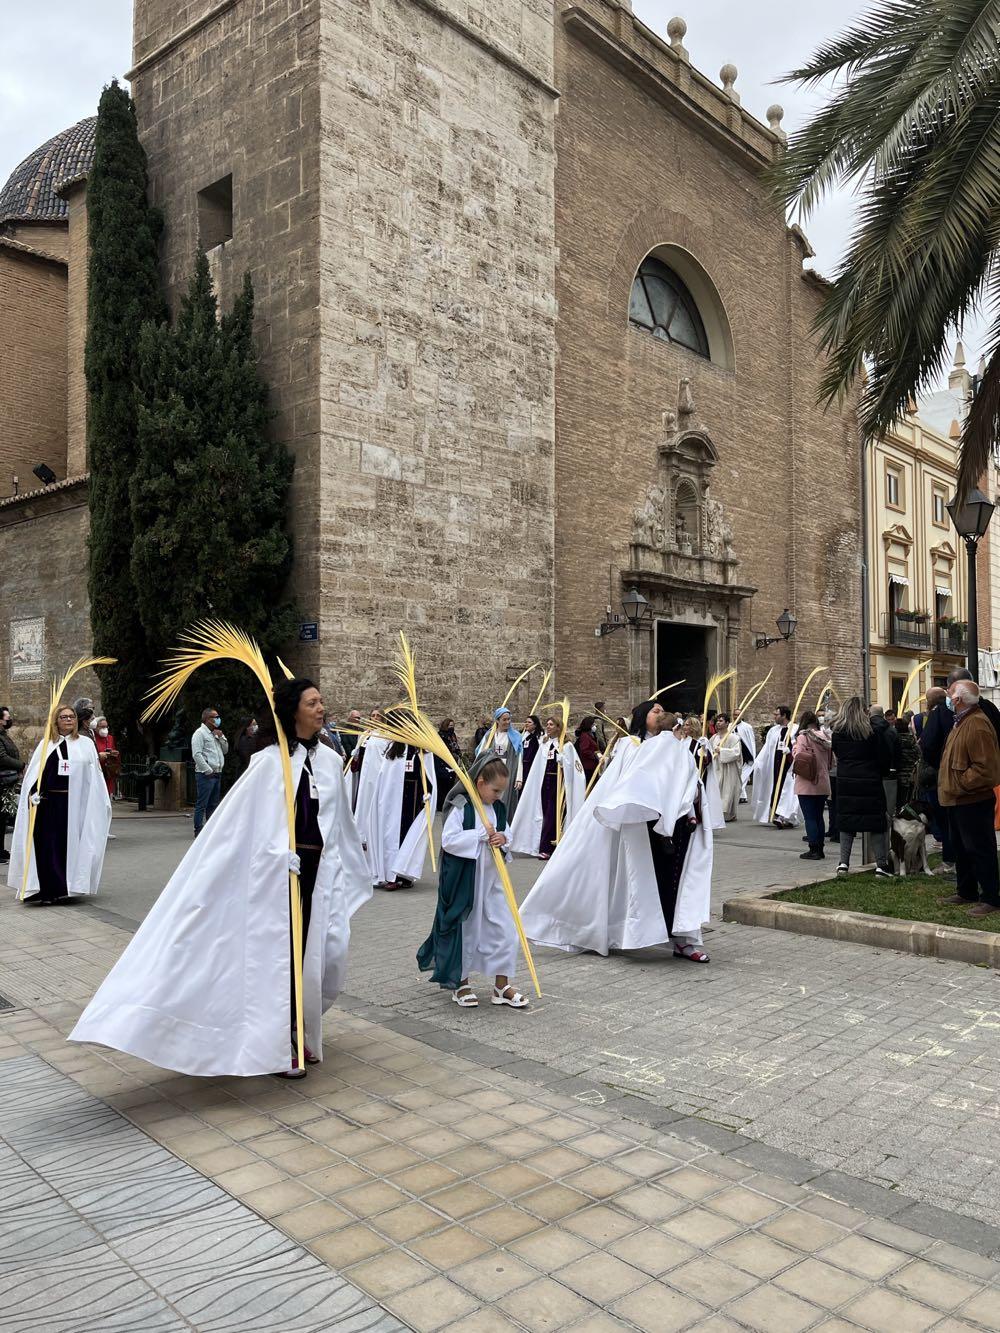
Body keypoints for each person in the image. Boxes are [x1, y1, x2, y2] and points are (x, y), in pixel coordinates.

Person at [70, 677, 372, 1078]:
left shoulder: (331, 761)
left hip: (317, 877)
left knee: (320, 955)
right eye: (313, 702)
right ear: (292, 710)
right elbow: (246, 825)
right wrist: (277, 856)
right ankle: (282, 1045)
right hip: (275, 881)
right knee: (278, 960)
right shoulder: (269, 761)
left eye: (321, 701)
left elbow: (339, 824)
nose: (321, 708)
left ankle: (302, 1031)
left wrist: (339, 865)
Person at [520, 700, 711, 961]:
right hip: (640, 826)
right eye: (655, 710)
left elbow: (686, 778)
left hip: (674, 824)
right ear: (643, 717)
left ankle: (682, 938)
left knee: (675, 880)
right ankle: (621, 930)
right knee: (640, 881)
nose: (661, 712)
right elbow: (620, 784)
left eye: (662, 710)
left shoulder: (677, 746)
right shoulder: (631, 746)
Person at [417, 754, 528, 1009]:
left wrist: (503, 837)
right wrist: (479, 835)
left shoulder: (498, 808)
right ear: (479, 784)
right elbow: (449, 840)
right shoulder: (461, 805)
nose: (500, 795)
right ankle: (461, 982)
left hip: (492, 882)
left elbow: (506, 831)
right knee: (466, 932)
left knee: (506, 930)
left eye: (502, 790)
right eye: (495, 790)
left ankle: (502, 985)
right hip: (467, 884)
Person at [7, 704, 111, 904]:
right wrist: (33, 794)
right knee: (46, 847)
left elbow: (94, 777)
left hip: (72, 806)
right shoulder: (47, 744)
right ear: (56, 721)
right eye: (63, 717)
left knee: (67, 846)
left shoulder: (85, 744)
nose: (68, 720)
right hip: (46, 806)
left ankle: (64, 887)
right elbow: (33, 775)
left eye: (71, 716)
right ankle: (45, 890)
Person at [937, 678, 1000, 917]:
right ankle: (966, 891)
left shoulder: (977, 724)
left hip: (972, 799)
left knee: (980, 849)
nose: (947, 696)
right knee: (962, 848)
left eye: (950, 693)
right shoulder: (962, 722)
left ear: (958, 699)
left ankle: (991, 897)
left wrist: (961, 784)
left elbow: (986, 768)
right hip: (958, 799)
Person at [368, 729, 436, 890]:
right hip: (394, 801)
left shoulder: (422, 749)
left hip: (413, 800)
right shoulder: (394, 749)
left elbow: (429, 775)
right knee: (392, 837)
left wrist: (428, 793)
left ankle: (405, 874)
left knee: (409, 837)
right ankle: (391, 875)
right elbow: (385, 776)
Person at [509, 716, 586, 858]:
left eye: (551, 724)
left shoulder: (566, 746)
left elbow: (576, 770)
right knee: (543, 813)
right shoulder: (545, 745)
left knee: (552, 814)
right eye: (547, 724)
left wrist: (564, 762)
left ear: (558, 727)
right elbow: (538, 766)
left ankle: (548, 848)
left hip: (558, 784)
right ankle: (540, 845)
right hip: (545, 784)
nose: (548, 727)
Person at [831, 696, 891, 877]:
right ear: (863, 712)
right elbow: (883, 756)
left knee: (846, 822)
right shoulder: (872, 732)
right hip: (870, 780)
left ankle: (843, 863)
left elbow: (837, 755)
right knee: (876, 822)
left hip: (846, 780)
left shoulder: (838, 733)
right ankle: (881, 865)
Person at [918, 686, 956, 875]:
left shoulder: (936, 714)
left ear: (930, 701)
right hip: (955, 773)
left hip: (937, 775)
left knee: (944, 820)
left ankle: (950, 861)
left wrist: (935, 765)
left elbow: (928, 743)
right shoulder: (954, 713)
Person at [792, 711, 832, 860]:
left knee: (809, 817)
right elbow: (830, 761)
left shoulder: (803, 737)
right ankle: (820, 849)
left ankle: (813, 849)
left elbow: (799, 757)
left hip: (807, 782)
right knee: (819, 816)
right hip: (823, 781)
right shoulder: (825, 737)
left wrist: (794, 748)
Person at [750, 707, 798, 827]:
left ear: (784, 715)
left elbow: (798, 745)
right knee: (774, 789)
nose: (774, 717)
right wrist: (759, 762)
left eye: (776, 714)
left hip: (789, 767)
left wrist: (791, 750)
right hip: (775, 767)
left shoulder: (795, 729)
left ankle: (785, 817)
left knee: (787, 792)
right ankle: (779, 815)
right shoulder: (773, 731)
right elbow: (767, 748)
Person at [476, 707, 523, 816]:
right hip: (491, 771)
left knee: (504, 800)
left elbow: (519, 758)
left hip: (507, 771)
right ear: (497, 721)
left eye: (509, 719)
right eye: (504, 720)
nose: (507, 722)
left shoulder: (515, 737)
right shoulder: (490, 735)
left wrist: (519, 778)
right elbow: (480, 753)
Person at [191, 707, 228, 836]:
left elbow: (225, 751)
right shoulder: (199, 733)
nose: (218, 719)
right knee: (202, 804)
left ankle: (210, 831)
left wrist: (222, 737)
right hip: (205, 775)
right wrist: (208, 770)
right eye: (215, 717)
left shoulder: (215, 733)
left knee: (213, 805)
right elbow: (196, 754)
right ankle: (199, 830)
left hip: (217, 773)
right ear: (207, 719)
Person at [0, 706, 25, 864]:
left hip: (6, 782)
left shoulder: (3, 735)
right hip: (2, 781)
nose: (9, 720)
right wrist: (21, 765)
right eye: (7, 717)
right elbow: (1, 757)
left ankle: (1, 850)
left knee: (2, 818)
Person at [870, 705, 901, 822]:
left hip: (872, 771)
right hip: (891, 771)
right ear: (883, 715)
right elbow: (898, 752)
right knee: (889, 806)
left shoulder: (867, 728)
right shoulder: (892, 730)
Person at [710, 712, 742, 822]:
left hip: (729, 769)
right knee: (717, 789)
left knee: (728, 790)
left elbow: (736, 752)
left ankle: (729, 814)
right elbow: (710, 750)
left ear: (727, 723)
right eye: (717, 721)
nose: (718, 723)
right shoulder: (714, 737)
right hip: (716, 767)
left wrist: (722, 751)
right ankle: (717, 812)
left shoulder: (733, 738)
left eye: (721, 721)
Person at [434, 718, 463, 812]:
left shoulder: (452, 735)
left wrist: (458, 754)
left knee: (451, 783)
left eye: (453, 726)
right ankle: (441, 805)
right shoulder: (440, 736)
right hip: (443, 762)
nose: (452, 728)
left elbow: (455, 745)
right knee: (443, 784)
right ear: (445, 726)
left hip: (452, 762)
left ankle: (448, 802)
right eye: (450, 726)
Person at [895, 714, 921, 809]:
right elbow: (918, 755)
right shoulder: (912, 741)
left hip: (898, 775)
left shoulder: (895, 741)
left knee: (899, 800)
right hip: (911, 775)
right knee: (909, 799)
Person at [516, 714, 542, 795]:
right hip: (522, 765)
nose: (526, 724)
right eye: (526, 722)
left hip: (532, 766)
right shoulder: (522, 735)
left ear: (535, 725)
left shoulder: (540, 736)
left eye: (529, 722)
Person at [735, 713, 756, 803]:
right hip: (736, 754)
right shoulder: (730, 726)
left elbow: (751, 741)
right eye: (735, 715)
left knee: (743, 776)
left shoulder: (747, 727)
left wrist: (753, 754)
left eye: (738, 714)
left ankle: (737, 795)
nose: (736, 716)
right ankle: (743, 796)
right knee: (738, 775)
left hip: (746, 754)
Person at [574, 716, 601, 784]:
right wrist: (595, 756)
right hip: (588, 766)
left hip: (592, 765)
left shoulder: (590, 734)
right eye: (593, 724)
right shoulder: (585, 736)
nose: (595, 726)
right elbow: (584, 750)